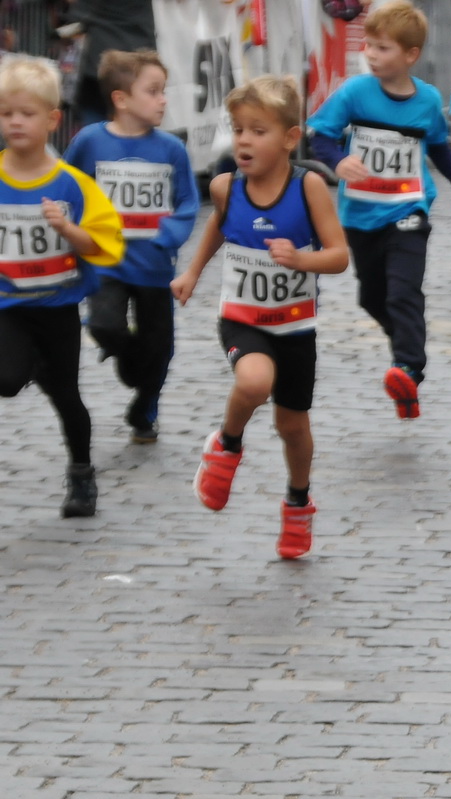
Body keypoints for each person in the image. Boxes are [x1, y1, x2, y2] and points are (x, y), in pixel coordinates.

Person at [171, 76, 349, 559]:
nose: (244, 140)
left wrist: (301, 260)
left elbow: (338, 257)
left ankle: (297, 501)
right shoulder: (226, 186)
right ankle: (226, 446)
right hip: (243, 317)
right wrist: (191, 272)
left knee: (293, 427)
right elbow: (217, 228)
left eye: (258, 130)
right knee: (252, 382)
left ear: (291, 138)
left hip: (294, 325)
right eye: (238, 129)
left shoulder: (308, 187)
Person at [307, 1, 451, 422]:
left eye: (382, 48)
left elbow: (436, 141)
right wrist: (338, 161)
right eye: (369, 46)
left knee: (404, 290)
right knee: (372, 297)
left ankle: (408, 366)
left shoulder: (428, 99)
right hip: (361, 214)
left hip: (408, 208)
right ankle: (405, 353)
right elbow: (320, 136)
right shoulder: (354, 92)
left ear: (410, 55)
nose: (372, 55)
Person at [0, 55, 123, 519]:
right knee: (7, 380)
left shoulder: (72, 184)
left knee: (67, 397)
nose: (15, 122)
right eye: (6, 113)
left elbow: (104, 246)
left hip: (58, 307)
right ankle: (28, 363)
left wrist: (69, 229)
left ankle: (81, 473)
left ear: (52, 119)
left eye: (26, 113)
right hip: (8, 305)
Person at [63, 49, 197, 445]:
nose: (163, 99)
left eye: (163, 90)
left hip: (153, 266)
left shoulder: (171, 149)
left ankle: (146, 406)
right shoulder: (89, 142)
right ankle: (124, 355)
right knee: (104, 325)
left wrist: (167, 237)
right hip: (105, 264)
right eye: (153, 91)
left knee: (159, 348)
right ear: (121, 99)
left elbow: (188, 203)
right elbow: (70, 187)